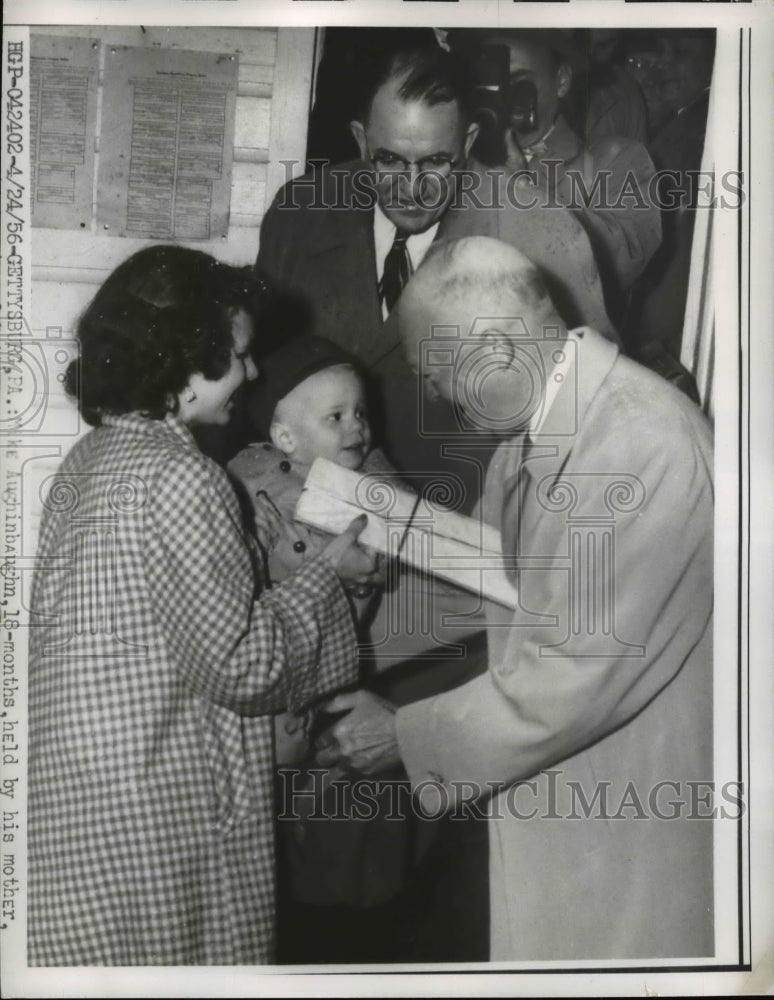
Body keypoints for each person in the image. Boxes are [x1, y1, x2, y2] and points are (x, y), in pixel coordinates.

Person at [317, 236, 714, 961]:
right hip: (566, 800)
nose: (432, 396)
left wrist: (406, 733)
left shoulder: (639, 442)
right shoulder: (528, 436)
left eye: (434, 374)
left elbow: (571, 676)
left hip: (624, 811)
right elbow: (518, 591)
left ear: (497, 345)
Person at [26, 246, 376, 966]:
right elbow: (241, 668)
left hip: (85, 800)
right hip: (157, 809)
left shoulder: (89, 461)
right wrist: (327, 578)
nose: (251, 373)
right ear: (185, 363)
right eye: (240, 356)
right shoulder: (186, 475)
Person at [257, 35, 618, 512]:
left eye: (435, 161)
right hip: (310, 525)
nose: (412, 189)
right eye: (388, 160)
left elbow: (590, 412)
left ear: (468, 143)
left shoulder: (541, 233)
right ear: (361, 139)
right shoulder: (300, 214)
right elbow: (261, 388)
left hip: (468, 536)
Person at [228, 333, 486, 962]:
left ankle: (368, 930)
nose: (357, 428)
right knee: (290, 844)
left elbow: (408, 531)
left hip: (350, 675)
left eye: (361, 412)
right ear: (286, 438)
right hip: (282, 686)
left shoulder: (371, 473)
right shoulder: (251, 478)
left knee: (358, 824)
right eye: (336, 416)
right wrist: (328, 560)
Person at [450, 28, 662, 322]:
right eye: (491, 83)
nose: (501, 96)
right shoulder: (455, 163)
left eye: (518, 82)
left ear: (561, 81)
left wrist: (520, 193)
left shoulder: (616, 160)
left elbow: (611, 267)